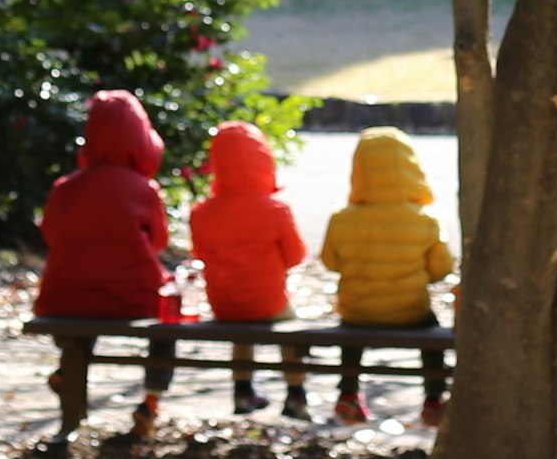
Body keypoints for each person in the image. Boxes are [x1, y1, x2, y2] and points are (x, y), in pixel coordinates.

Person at [36, 91, 176, 440]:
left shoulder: (66, 187)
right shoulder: (144, 189)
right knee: (167, 323)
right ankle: (150, 402)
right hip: (132, 299)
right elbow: (158, 241)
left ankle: (68, 377)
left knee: (82, 321)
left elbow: (51, 233)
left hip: (63, 299)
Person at [317, 127, 454, 428]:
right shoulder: (425, 219)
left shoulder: (342, 219)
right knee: (432, 332)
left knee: (351, 327)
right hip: (410, 312)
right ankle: (433, 399)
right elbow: (441, 269)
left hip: (358, 311)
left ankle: (348, 394)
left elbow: (330, 262)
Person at [188, 120, 312, 418]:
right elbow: (295, 256)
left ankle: (242, 391)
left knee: (240, 326)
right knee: (289, 326)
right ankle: (296, 394)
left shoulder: (203, 212)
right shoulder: (276, 209)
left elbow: (201, 253)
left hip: (224, 303)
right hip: (269, 300)